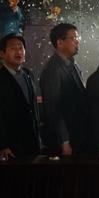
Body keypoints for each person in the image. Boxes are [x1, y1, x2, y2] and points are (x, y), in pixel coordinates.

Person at [0, 33, 42, 161]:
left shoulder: (28, 74)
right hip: (11, 147)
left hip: (32, 141)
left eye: (21, 48)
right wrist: (2, 144)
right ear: (2, 53)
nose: (18, 51)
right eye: (13, 48)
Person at [39, 23, 87, 156]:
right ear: (60, 43)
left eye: (78, 38)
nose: (77, 41)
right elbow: (53, 108)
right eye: (73, 38)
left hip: (78, 133)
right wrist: (64, 141)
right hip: (66, 140)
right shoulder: (53, 70)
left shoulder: (73, 64)